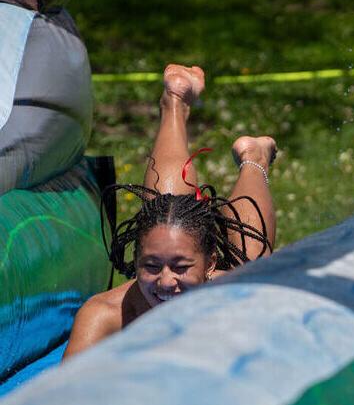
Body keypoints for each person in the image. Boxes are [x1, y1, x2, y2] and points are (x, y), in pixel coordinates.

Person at [63, 64, 277, 358]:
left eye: (180, 267)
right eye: (151, 265)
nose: (165, 281)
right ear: (135, 259)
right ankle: (174, 99)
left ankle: (254, 157)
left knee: (252, 267)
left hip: (235, 286)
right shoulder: (105, 316)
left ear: (210, 263)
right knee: (165, 216)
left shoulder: (236, 297)